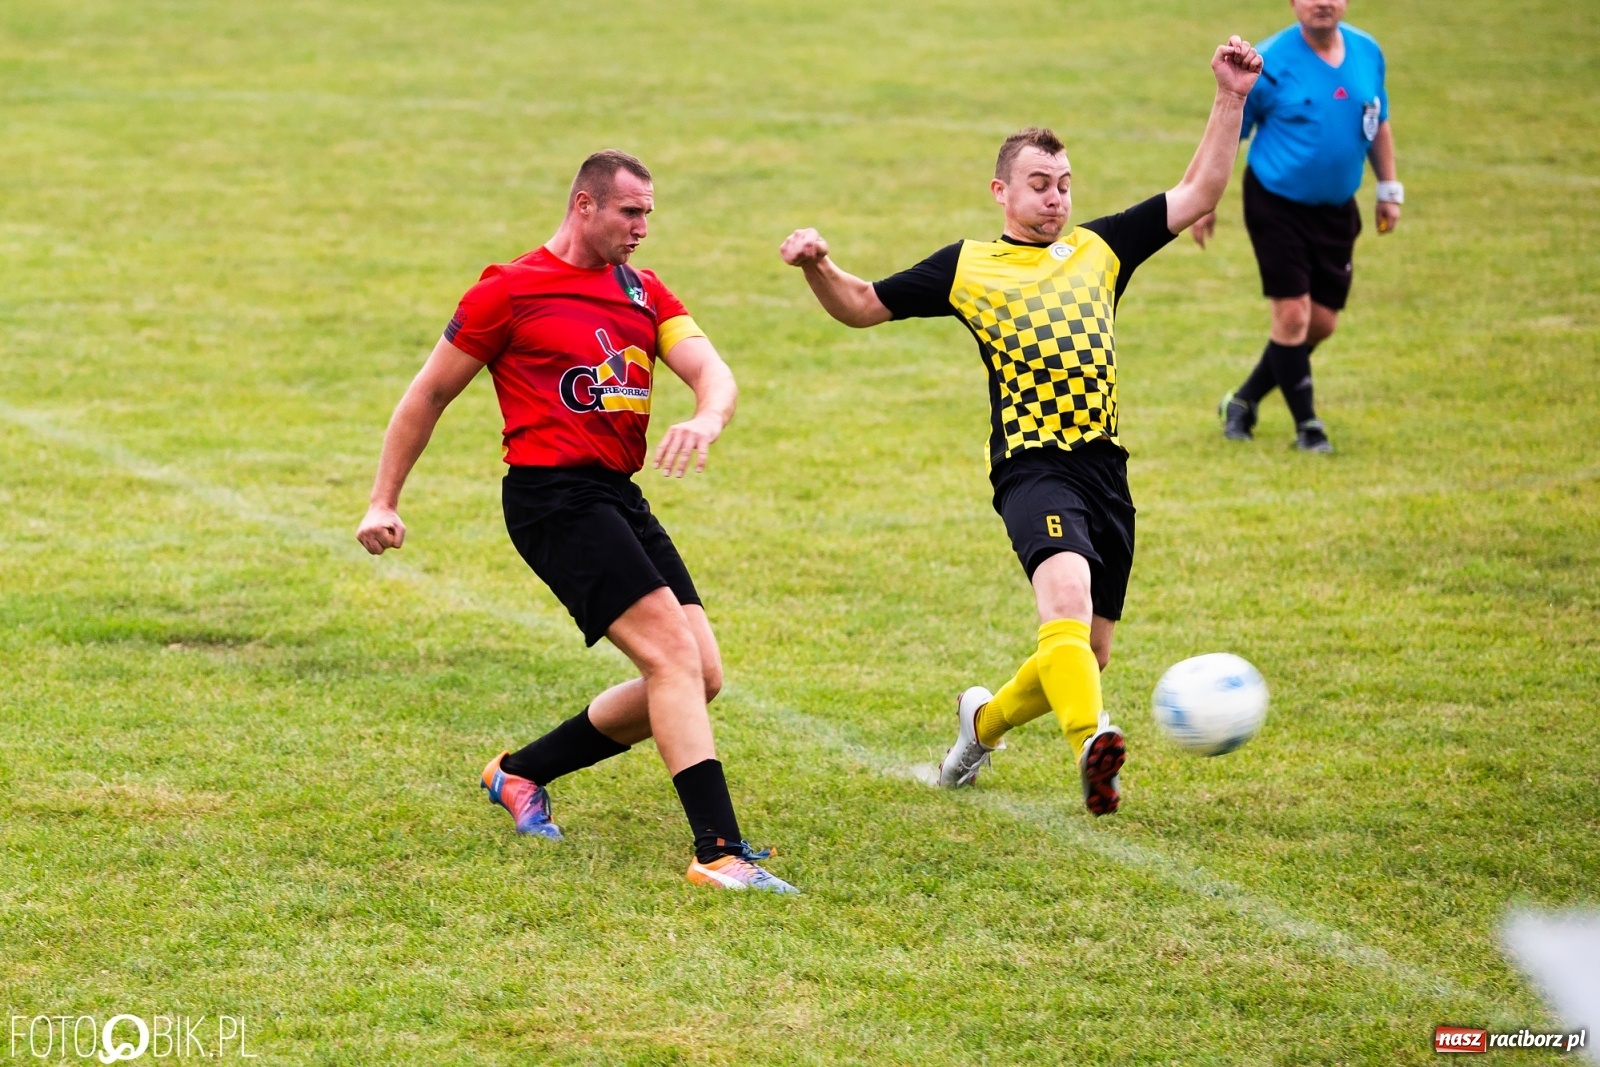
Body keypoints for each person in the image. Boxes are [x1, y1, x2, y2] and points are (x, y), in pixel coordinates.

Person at [779, 38, 1263, 816]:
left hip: (1106, 468)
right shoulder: (968, 267)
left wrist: (1230, 97)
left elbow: (1200, 190)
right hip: (1032, 466)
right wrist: (815, 265)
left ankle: (982, 726)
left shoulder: (1103, 248)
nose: (1056, 198)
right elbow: (863, 305)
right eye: (1040, 185)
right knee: (1064, 600)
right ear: (1001, 190)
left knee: (1086, 651)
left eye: (1065, 185)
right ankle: (1091, 742)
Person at [356, 150, 796, 893]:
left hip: (617, 495)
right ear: (584, 205)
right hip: (552, 498)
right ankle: (719, 851)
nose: (643, 228)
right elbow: (428, 394)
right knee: (671, 658)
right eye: (632, 212)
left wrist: (708, 417)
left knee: (702, 672)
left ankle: (520, 772)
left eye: (650, 213)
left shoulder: (642, 290)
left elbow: (712, 371)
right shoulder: (510, 290)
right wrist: (383, 499)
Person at [1202, 0, 1403, 453]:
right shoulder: (1268, 62)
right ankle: (1308, 428)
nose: (1322, 3)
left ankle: (1244, 399)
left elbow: (1378, 120)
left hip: (1335, 209)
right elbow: (1230, 129)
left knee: (1322, 324)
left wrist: (1389, 188)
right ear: (1293, 2)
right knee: (1292, 315)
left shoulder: (1368, 52)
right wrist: (1204, 198)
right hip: (1276, 204)